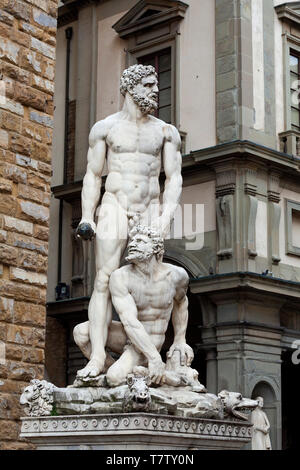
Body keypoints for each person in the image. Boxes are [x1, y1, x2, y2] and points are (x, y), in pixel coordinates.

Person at [75, 64, 183, 379]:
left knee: (151, 281)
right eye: (149, 85)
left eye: (156, 86)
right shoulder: (105, 128)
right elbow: (93, 176)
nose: (155, 90)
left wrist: (165, 217)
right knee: (104, 280)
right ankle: (96, 357)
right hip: (114, 204)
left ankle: (146, 357)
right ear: (130, 87)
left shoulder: (165, 131)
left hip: (149, 208)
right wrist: (86, 215)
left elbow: (174, 178)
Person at [74, 224, 194, 386]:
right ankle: (124, 370)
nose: (132, 244)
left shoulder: (176, 276)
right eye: (132, 241)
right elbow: (129, 322)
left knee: (114, 378)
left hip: (151, 340)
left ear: (156, 248)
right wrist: (154, 358)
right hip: (129, 334)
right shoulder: (121, 277)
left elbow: (181, 302)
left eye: (140, 241)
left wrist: (180, 339)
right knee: (81, 332)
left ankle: (146, 373)